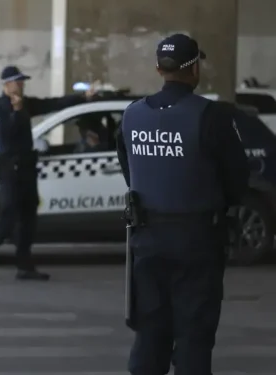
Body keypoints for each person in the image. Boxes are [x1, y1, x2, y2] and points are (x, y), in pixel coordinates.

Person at [115, 33, 249, 375]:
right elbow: (237, 179)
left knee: (150, 330)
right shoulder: (211, 115)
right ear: (194, 70)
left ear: (159, 69)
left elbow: (131, 171)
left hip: (147, 240)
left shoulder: (131, 116)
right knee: (194, 334)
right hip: (197, 241)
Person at [0, 65, 97, 280]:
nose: (21, 85)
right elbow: (5, 134)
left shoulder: (27, 104)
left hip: (27, 168)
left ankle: (24, 266)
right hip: (9, 169)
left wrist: (83, 98)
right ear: (6, 85)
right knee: (8, 213)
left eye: (22, 81)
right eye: (17, 81)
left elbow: (54, 103)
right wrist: (16, 112)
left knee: (28, 217)